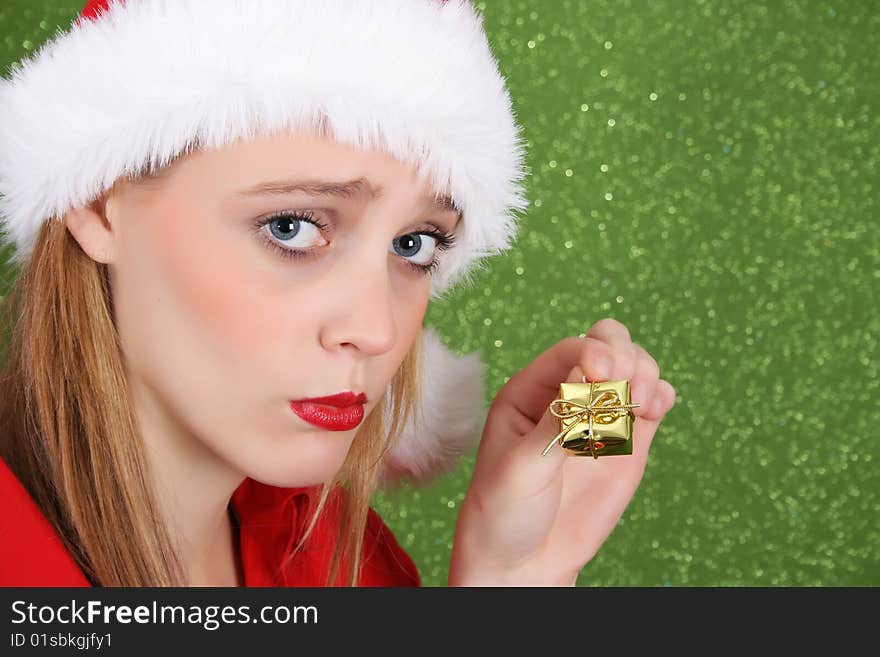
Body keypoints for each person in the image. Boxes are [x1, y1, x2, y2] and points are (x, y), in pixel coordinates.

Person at [0, 0, 676, 587]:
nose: (377, 330)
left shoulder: (344, 565)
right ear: (96, 203)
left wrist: (517, 576)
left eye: (414, 244)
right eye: (292, 227)